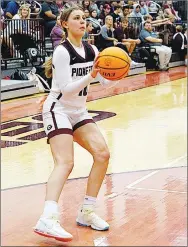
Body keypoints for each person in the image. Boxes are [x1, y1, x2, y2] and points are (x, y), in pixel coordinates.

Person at [33, 6, 122, 242]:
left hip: (78, 111)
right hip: (57, 109)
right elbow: (66, 89)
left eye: (84, 18)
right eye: (76, 18)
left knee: (102, 154)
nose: (82, 22)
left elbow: (104, 83)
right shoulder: (62, 52)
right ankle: (48, 217)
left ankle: (87, 211)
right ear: (64, 24)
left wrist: (117, 72)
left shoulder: (92, 49)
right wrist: (91, 75)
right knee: (65, 162)